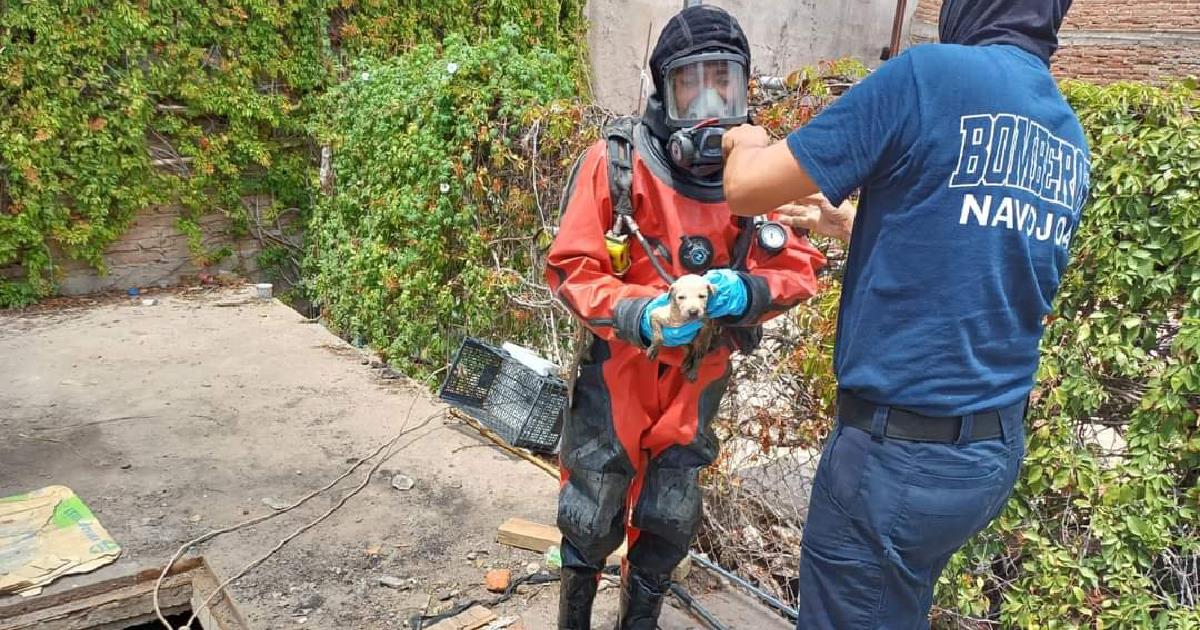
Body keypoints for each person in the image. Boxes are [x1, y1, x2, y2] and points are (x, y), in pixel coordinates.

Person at [720, 0, 1090, 627]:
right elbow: (983, 256)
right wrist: (852, 224)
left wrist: (745, 140)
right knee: (893, 606)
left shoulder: (929, 77)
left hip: (898, 460)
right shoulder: (1066, 135)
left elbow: (747, 188)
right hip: (986, 455)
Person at [544, 5, 827, 629]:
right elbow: (572, 267)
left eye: (722, 82)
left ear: (743, 87)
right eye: (689, 83)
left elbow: (798, 267)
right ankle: (575, 616)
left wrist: (745, 292)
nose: (707, 101)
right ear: (663, 91)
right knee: (592, 504)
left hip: (699, 375)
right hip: (620, 366)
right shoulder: (618, 164)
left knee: (671, 510)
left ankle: (639, 617)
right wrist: (639, 314)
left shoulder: (756, 178)